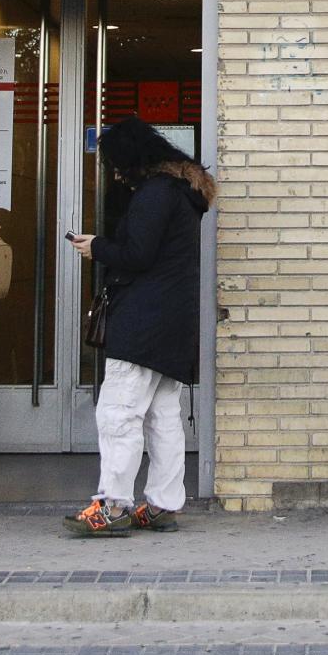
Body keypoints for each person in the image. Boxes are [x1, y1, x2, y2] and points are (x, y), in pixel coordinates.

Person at [64, 118, 215, 536]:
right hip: (173, 321)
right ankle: (163, 504)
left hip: (142, 321)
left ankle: (112, 505)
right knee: (162, 415)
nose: (115, 173)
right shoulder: (182, 194)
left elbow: (138, 254)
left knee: (118, 413)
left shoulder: (154, 195)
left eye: (115, 164)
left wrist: (97, 247)